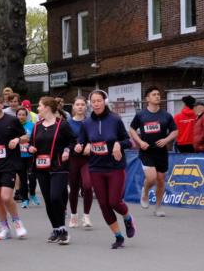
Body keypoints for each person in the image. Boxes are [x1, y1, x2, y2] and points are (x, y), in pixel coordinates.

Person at [75, 90, 136, 249]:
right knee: (103, 204)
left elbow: (128, 142)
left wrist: (118, 144)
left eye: (99, 101)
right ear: (90, 104)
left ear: (105, 102)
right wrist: (80, 145)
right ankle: (118, 236)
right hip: (96, 168)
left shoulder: (115, 120)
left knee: (114, 201)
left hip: (115, 167)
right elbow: (81, 140)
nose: (96, 104)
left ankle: (127, 217)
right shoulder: (86, 123)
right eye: (93, 101)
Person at [27, 97, 76, 244]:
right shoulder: (37, 126)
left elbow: (73, 140)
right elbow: (30, 143)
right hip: (41, 167)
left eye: (40, 106)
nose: (38, 109)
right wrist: (30, 148)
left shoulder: (62, 125)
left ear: (47, 107)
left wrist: (67, 150)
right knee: (48, 200)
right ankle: (56, 229)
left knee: (55, 197)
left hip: (59, 166)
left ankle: (63, 230)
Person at [0, 93, 29, 241]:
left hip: (9, 164)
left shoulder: (12, 120)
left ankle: (17, 222)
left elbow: (26, 137)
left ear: (2, 105)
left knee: (6, 197)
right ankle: (5, 228)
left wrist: (16, 139)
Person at [129, 86, 179, 218]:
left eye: (158, 94)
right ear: (147, 98)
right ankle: (145, 192)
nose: (157, 96)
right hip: (147, 151)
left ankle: (158, 207)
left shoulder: (166, 115)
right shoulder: (141, 115)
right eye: (154, 94)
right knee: (151, 178)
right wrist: (140, 142)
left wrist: (166, 139)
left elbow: (175, 131)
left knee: (161, 180)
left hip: (161, 152)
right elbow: (132, 129)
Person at [66, 96, 94, 230]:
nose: (80, 107)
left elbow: (97, 137)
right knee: (74, 188)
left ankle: (87, 215)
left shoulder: (90, 122)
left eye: (83, 104)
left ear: (86, 107)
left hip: (87, 159)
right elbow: (64, 142)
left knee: (88, 185)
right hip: (73, 159)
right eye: (77, 104)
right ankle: (73, 215)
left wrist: (90, 144)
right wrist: (72, 147)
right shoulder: (68, 123)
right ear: (73, 107)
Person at [15, 106, 39, 208]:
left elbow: (36, 139)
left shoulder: (32, 125)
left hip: (30, 156)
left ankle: (32, 194)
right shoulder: (13, 126)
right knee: (23, 179)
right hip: (19, 156)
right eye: (19, 115)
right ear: (16, 116)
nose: (21, 117)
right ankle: (25, 199)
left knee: (32, 177)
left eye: (23, 115)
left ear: (26, 116)